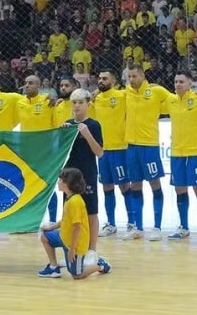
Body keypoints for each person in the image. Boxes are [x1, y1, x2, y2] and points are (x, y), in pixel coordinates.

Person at [162, 71, 197, 239]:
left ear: (190, 83)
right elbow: (152, 100)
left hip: (196, 152)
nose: (178, 84)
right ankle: (184, 227)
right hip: (177, 152)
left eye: (181, 81)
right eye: (176, 81)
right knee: (180, 189)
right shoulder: (171, 100)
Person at [125, 65, 172, 241]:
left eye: (134, 76)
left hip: (149, 146)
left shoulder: (156, 91)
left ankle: (157, 227)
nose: (131, 80)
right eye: (129, 76)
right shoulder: (126, 93)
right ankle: (138, 228)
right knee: (135, 186)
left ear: (143, 76)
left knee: (155, 184)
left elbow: (176, 100)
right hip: (131, 146)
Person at [37, 168, 111, 279]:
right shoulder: (69, 198)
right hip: (64, 237)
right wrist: (51, 227)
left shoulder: (75, 202)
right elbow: (66, 220)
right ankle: (53, 267)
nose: (58, 182)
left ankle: (100, 265)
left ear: (67, 184)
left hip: (76, 244)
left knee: (77, 275)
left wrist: (72, 250)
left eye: (60, 180)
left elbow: (77, 227)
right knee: (44, 236)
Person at [62, 89, 104, 266]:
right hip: (69, 175)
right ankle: (70, 250)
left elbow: (99, 152)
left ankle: (92, 250)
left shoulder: (94, 125)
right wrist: (62, 134)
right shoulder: (67, 124)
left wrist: (87, 134)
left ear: (88, 104)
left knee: (91, 212)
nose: (77, 106)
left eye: (80, 102)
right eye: (74, 103)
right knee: (69, 213)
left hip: (87, 173)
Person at [91, 71, 134, 239]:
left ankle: (132, 222)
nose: (101, 81)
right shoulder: (95, 99)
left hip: (120, 148)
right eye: (99, 78)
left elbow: (140, 90)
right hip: (103, 150)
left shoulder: (122, 95)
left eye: (105, 78)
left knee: (124, 186)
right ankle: (111, 224)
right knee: (106, 186)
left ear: (114, 81)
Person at [17, 74, 59, 223]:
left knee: (48, 185)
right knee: (27, 187)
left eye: (31, 83)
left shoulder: (48, 101)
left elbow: (58, 125)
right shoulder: (19, 102)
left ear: (39, 86)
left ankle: (52, 221)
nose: (27, 85)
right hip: (26, 152)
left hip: (45, 152)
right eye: (25, 83)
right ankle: (28, 221)